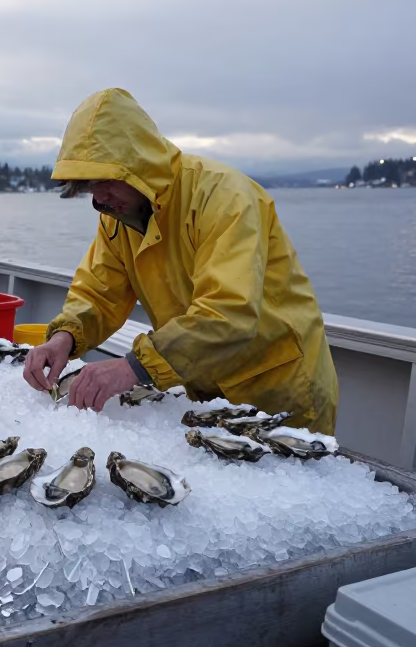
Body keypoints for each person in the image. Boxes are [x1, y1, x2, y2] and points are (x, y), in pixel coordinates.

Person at [22, 89, 339, 434]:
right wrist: (64, 338)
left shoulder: (225, 197)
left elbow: (229, 311)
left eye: (105, 182)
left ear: (136, 167)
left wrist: (133, 368)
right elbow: (99, 293)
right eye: (88, 187)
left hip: (275, 392)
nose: (99, 198)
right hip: (200, 385)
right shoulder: (117, 214)